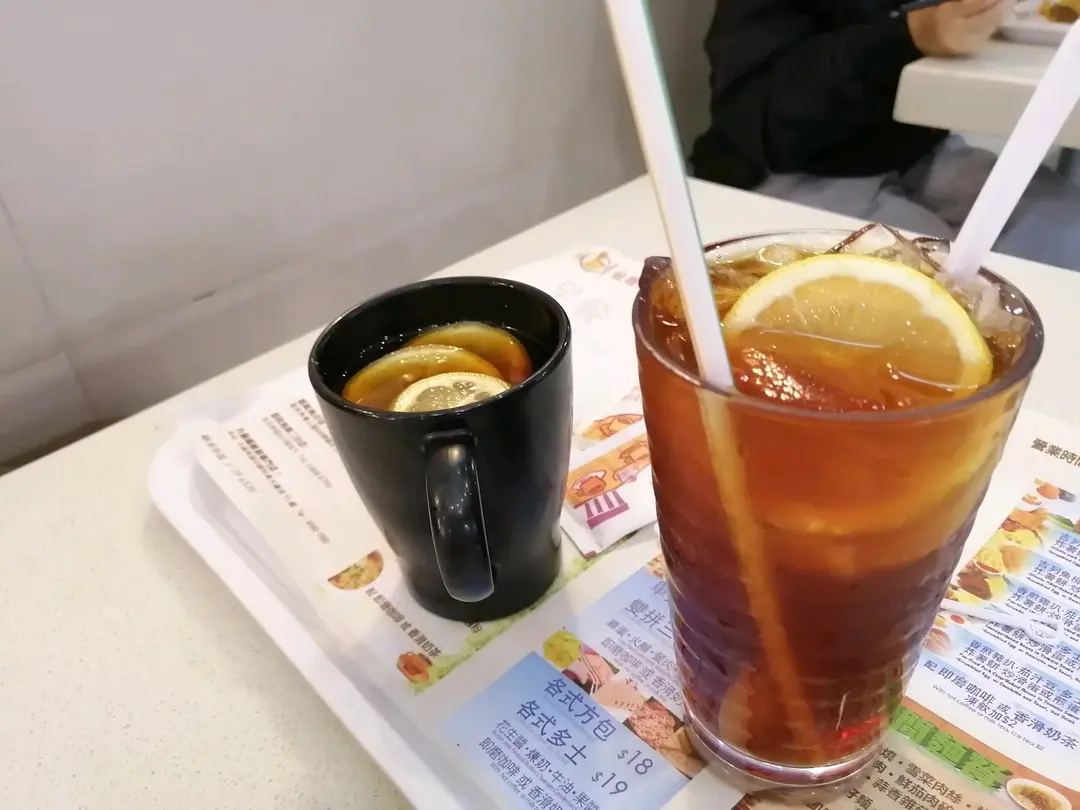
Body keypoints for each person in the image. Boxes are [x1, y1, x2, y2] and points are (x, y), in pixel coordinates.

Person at [690, 0, 1080, 271]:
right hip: (786, 168)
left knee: (1065, 230)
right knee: (964, 283)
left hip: (915, 149)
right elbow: (756, 115)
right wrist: (908, 36)